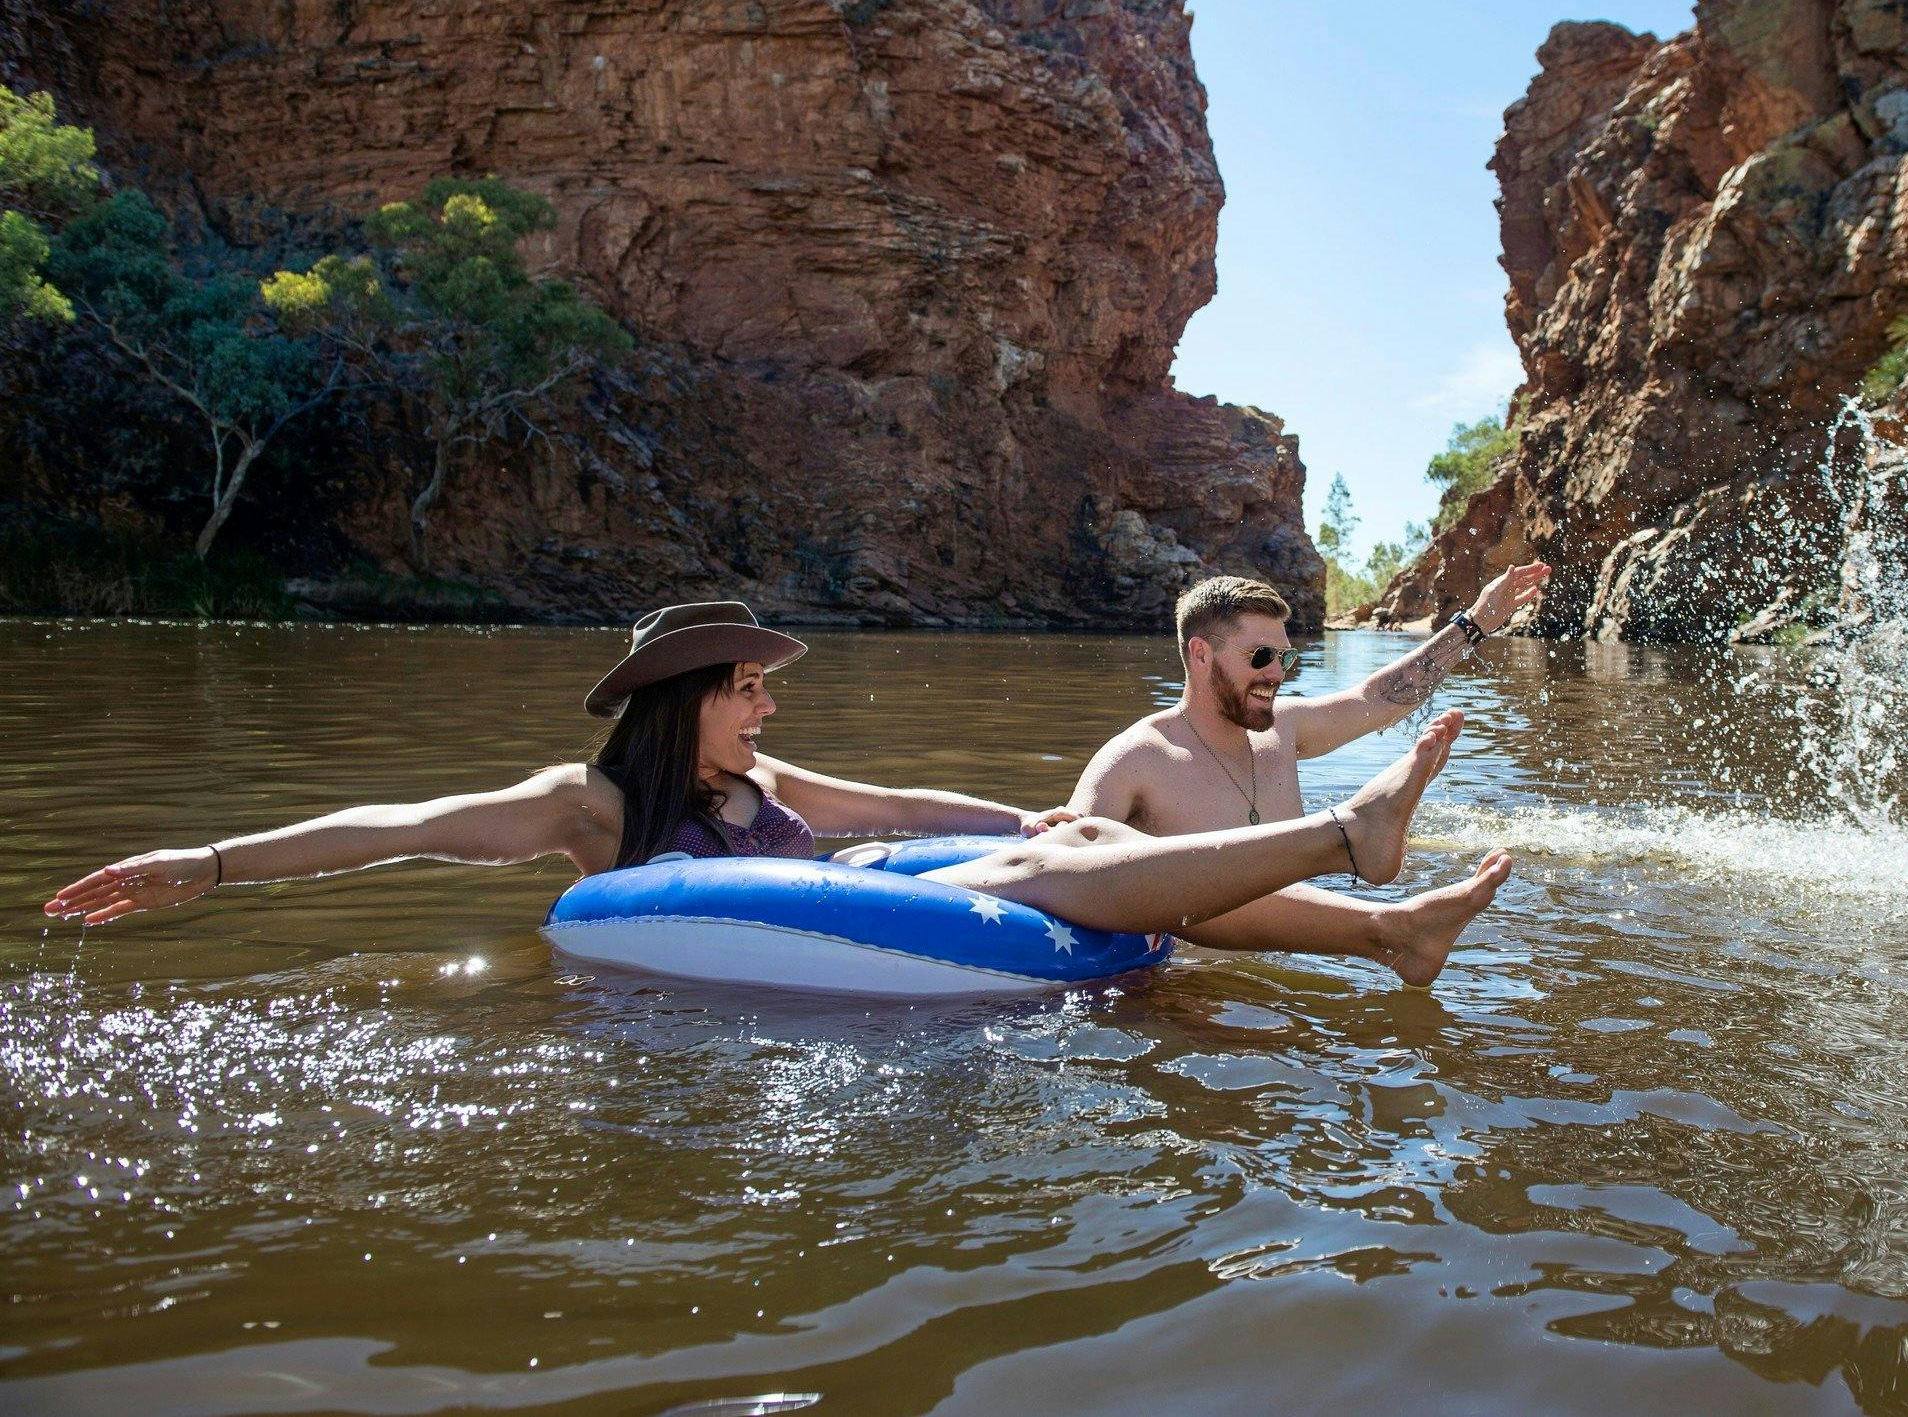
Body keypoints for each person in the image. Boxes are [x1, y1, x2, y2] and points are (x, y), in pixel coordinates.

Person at [44, 601, 1480, 940]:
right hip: (733, 988)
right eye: (745, 686)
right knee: (1056, 868)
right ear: (686, 699)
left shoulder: (768, 782)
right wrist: (215, 860)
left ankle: (1379, 903)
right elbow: (402, 823)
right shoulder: (588, 803)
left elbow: (901, 811)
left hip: (871, 916)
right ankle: (1353, 843)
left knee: (1061, 854)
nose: (764, 701)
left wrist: (1019, 807)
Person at [1066, 564, 1550, 985]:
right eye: (1260, 657)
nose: (1278, 675)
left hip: (1296, 978)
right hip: (1189, 989)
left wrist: (1472, 625)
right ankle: (1378, 894)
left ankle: (1377, 885)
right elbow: (1065, 873)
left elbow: (1377, 698)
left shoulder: (1286, 728)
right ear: (1200, 654)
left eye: (1286, 658)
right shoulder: (1136, 759)